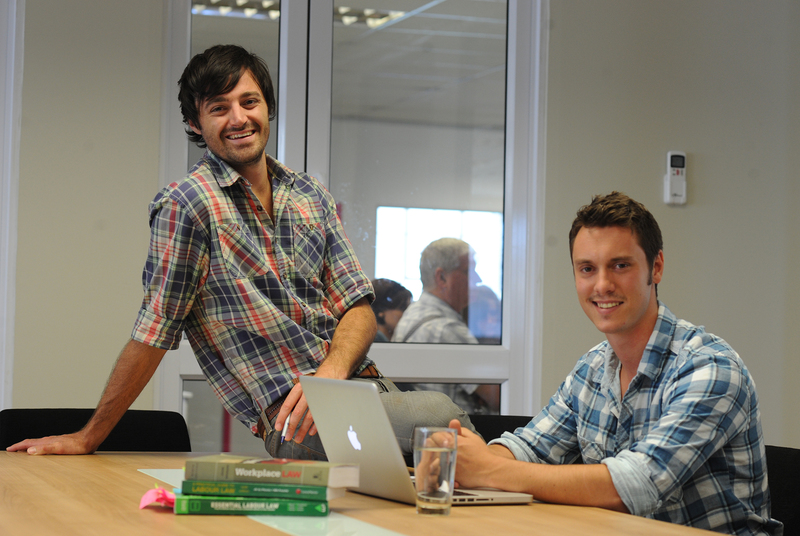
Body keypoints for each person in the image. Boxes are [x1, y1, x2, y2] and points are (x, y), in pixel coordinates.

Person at [8, 44, 474, 459]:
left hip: (363, 391)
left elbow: (358, 307)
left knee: (449, 476)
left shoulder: (311, 194)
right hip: (296, 419)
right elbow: (154, 331)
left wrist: (331, 373)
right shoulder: (188, 206)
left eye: (249, 101)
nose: (238, 118)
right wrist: (89, 436)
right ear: (195, 123)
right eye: (218, 108)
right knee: (446, 415)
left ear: (267, 107)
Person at [448, 192, 781, 535]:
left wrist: (487, 470)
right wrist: (465, 458)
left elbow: (634, 487)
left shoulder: (711, 369)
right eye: (587, 269)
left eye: (620, 265)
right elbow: (531, 449)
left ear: (657, 267)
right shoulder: (591, 370)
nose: (602, 285)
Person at [393, 238, 497, 414]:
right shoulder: (447, 329)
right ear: (442, 278)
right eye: (469, 271)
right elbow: (496, 397)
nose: (477, 279)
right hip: (453, 433)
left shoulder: (412, 315)